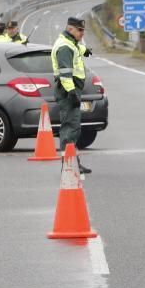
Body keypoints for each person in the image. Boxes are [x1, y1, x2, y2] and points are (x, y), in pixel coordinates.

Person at [52, 16, 93, 174]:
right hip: (68, 91)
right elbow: (65, 74)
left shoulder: (70, 43)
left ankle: (73, 161)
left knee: (73, 128)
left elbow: (76, 49)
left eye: (83, 30)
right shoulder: (64, 47)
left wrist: (85, 50)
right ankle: (69, 163)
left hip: (71, 90)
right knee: (69, 129)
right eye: (80, 30)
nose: (82, 33)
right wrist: (72, 93)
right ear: (70, 29)